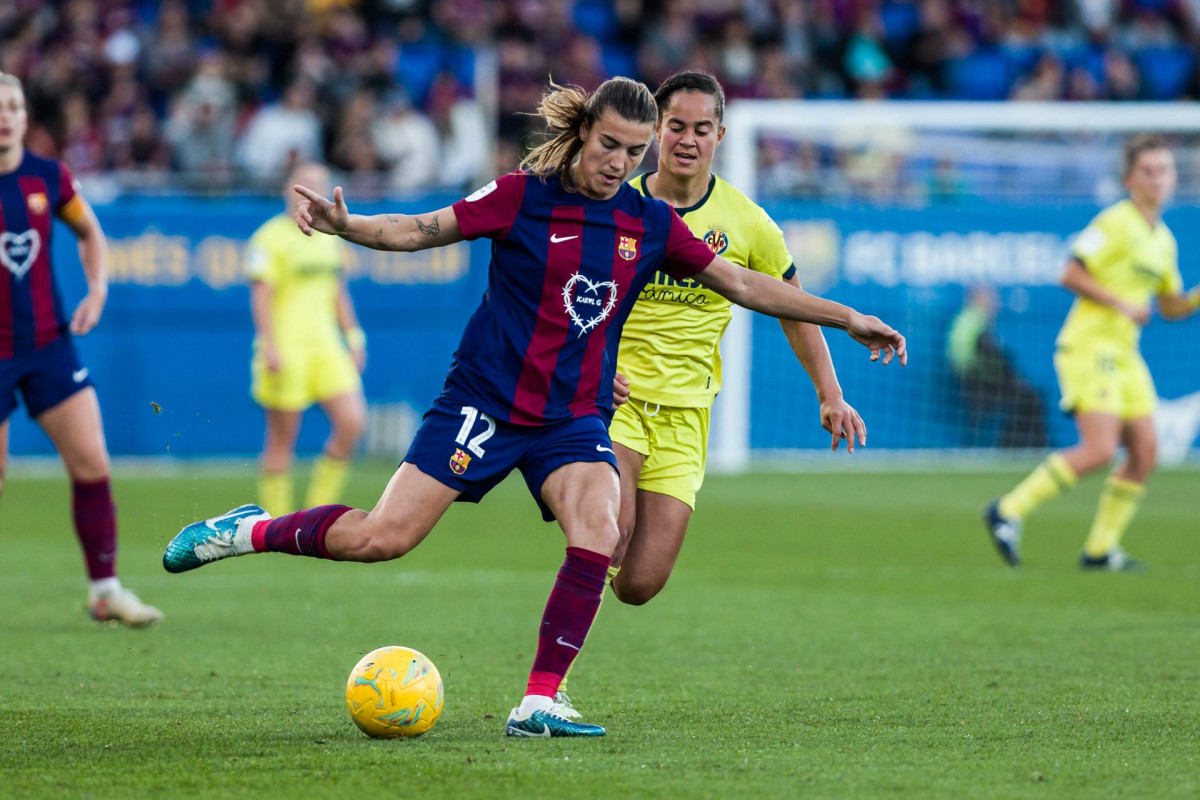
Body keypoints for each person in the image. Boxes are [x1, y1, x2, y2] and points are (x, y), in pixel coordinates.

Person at [163, 77, 906, 737]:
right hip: (485, 402)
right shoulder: (521, 195)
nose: (620, 163)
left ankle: (540, 700)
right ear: (583, 133)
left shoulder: (648, 223)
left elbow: (746, 284)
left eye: (634, 151)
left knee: (599, 531)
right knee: (383, 538)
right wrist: (348, 227)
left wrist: (846, 316)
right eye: (610, 144)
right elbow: (422, 230)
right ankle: (248, 530)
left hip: (572, 417)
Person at [554, 71, 866, 716]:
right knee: (608, 532)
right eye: (676, 127)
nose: (687, 140)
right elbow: (563, 291)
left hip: (688, 415)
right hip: (614, 403)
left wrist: (829, 393)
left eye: (701, 129)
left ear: (720, 135)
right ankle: (546, 687)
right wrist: (583, 362)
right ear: (656, 132)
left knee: (640, 583)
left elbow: (790, 306)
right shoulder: (618, 203)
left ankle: (587, 576)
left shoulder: (749, 225)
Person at [984, 134, 1200, 570]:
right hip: (1089, 345)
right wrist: (1120, 302)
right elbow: (1069, 272)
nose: (1157, 179)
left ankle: (1100, 550)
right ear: (1129, 179)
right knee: (1100, 450)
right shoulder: (1116, 221)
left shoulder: (1164, 240)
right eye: (1148, 171)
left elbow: (1170, 306)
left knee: (1145, 451)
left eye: (1164, 171)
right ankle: (1007, 511)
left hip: (1125, 352)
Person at [0, 73, 162, 626]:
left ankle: (105, 589)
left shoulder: (48, 177)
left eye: (14, 106)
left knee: (92, 461)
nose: (5, 116)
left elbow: (90, 232)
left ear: (25, 115)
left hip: (48, 345)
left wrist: (97, 290)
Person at [247, 162, 367, 516]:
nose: (311, 191)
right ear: (288, 189)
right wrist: (269, 344)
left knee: (352, 422)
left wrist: (354, 337)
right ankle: (275, 523)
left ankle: (317, 510)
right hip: (287, 347)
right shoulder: (269, 237)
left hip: (326, 347)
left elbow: (337, 291)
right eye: (304, 185)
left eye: (318, 184)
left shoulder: (331, 236)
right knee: (282, 439)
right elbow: (261, 295)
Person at [946, 286, 1047, 449]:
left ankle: (1015, 443)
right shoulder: (975, 322)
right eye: (991, 298)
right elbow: (988, 357)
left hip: (975, 380)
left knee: (1024, 396)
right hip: (980, 383)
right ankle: (1018, 444)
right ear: (978, 299)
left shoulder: (966, 320)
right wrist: (1010, 376)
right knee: (1029, 398)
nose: (995, 303)